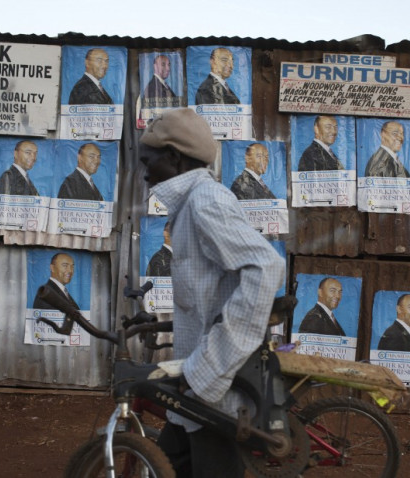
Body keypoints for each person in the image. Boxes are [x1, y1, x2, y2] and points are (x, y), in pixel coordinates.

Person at [138, 108, 284, 478]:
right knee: (170, 462)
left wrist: (215, 361)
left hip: (214, 386)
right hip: (194, 382)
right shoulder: (189, 205)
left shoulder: (206, 202)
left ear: (172, 156)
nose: (143, 171)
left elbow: (265, 267)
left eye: (147, 160)